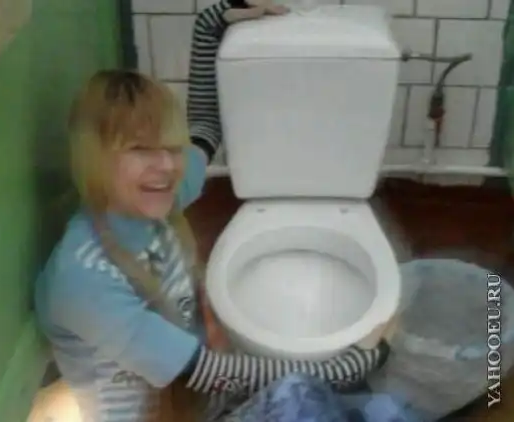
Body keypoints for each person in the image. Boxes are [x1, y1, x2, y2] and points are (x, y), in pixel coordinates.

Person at [33, 1, 392, 421]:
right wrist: (358, 362)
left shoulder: (155, 197)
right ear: (96, 158)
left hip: (198, 398)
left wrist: (212, 23)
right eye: (140, 149)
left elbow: (204, 130)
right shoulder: (84, 278)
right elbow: (209, 372)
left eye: (170, 146)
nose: (167, 166)